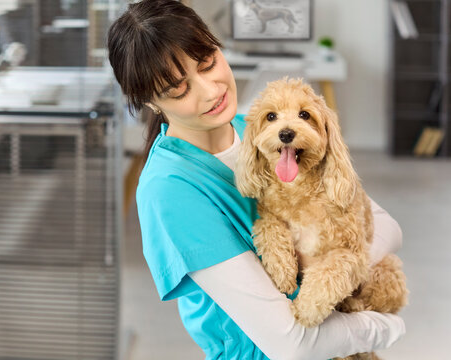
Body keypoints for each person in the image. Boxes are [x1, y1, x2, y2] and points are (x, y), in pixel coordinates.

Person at [107, 1, 406, 359]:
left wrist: (343, 264)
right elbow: (290, 344)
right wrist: (382, 328)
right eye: (178, 90)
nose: (209, 91)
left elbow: (385, 225)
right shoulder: (170, 190)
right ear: (151, 102)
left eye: (208, 63)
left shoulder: (260, 126)